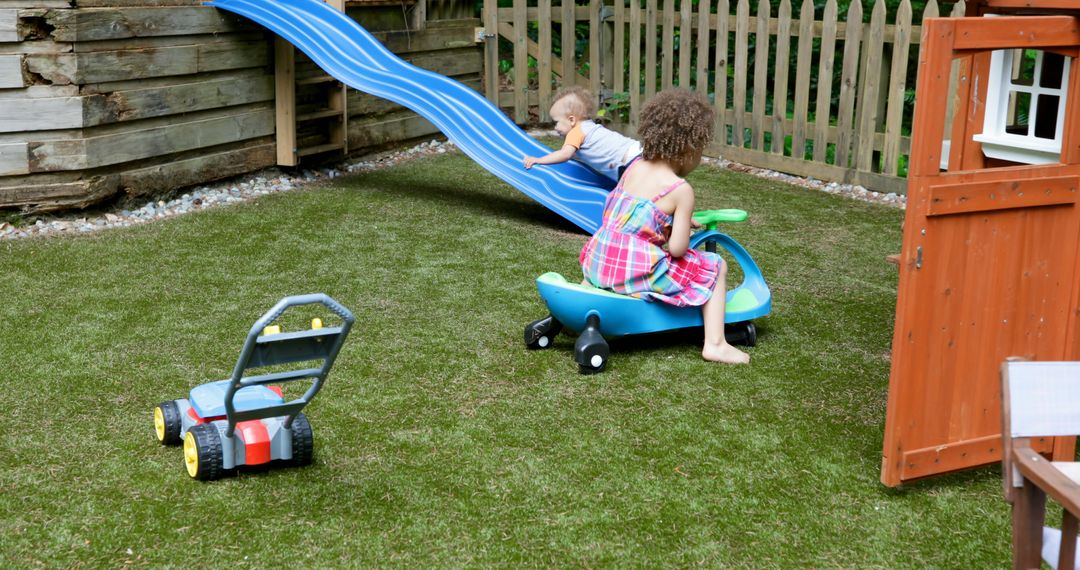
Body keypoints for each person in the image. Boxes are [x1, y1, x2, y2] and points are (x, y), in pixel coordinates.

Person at [579, 89, 750, 364]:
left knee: (620, 254)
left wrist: (670, 222)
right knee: (716, 266)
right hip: (634, 272)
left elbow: (636, 216)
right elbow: (678, 249)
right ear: (688, 150)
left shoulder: (633, 166)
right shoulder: (680, 190)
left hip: (598, 263)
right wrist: (682, 229)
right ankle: (716, 343)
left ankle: (586, 299)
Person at [522, 86, 642, 182]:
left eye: (556, 122)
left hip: (630, 162)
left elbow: (565, 154)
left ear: (572, 120)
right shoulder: (589, 127)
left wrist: (538, 160)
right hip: (636, 150)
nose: (555, 127)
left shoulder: (576, 132)